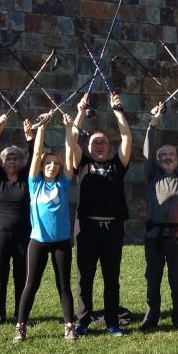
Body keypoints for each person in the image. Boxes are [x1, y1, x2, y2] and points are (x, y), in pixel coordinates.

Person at [13, 112, 78, 342]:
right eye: (48, 163)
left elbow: (69, 153)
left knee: (64, 286)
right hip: (38, 241)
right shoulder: (35, 183)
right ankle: (21, 326)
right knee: (31, 284)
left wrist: (69, 129)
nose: (52, 166)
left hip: (61, 243)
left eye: (55, 163)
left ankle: (69, 326)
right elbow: (37, 152)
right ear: (41, 167)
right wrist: (41, 127)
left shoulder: (63, 184)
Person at [72, 92, 132, 337]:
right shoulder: (82, 164)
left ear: (109, 147)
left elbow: (127, 138)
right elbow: (72, 140)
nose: (99, 145)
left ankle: (112, 322)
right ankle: (83, 321)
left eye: (103, 142)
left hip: (113, 228)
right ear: (88, 148)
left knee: (111, 278)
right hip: (86, 228)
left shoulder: (118, 165)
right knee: (84, 278)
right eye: (95, 142)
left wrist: (118, 112)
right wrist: (79, 113)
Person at [140, 104, 178, 331]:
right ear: (157, 159)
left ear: (176, 158)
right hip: (154, 235)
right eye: (163, 155)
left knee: (177, 278)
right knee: (153, 279)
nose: (167, 158)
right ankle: (151, 316)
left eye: (171, 155)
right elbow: (147, 152)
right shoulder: (152, 175)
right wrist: (153, 124)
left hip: (177, 236)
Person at [0, 114, 34, 326]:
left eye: (15, 158)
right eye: (8, 158)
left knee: (22, 274)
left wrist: (29, 136)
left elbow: (35, 155)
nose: (11, 161)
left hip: (23, 232)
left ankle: (20, 314)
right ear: (2, 162)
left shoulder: (26, 178)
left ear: (20, 162)